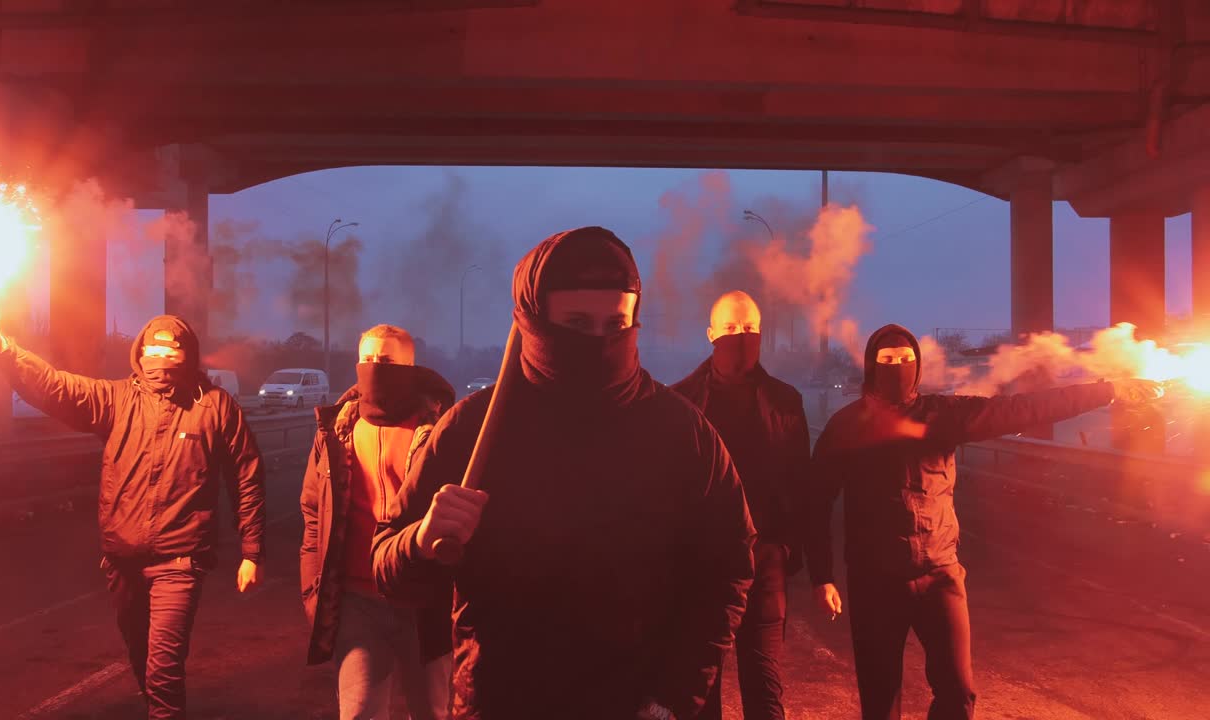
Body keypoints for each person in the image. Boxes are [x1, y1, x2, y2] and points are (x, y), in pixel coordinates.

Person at [372, 226, 756, 720]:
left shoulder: (683, 433)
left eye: (615, 323)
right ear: (534, 321)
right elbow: (388, 568)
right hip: (504, 702)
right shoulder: (472, 431)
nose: (598, 341)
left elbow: (728, 569)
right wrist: (421, 541)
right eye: (577, 323)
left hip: (643, 706)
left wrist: (673, 701)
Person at [805, 324, 1163, 720]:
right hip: (876, 583)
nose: (897, 366)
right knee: (880, 700)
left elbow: (1022, 408)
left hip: (940, 574)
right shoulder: (846, 427)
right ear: (871, 366)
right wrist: (821, 575)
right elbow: (816, 502)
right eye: (887, 360)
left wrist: (1106, 390)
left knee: (959, 695)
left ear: (918, 365)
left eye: (906, 359)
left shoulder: (942, 414)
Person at [0, 314, 266, 720]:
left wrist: (252, 550)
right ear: (140, 352)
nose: (160, 356)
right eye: (152, 349)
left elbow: (246, 474)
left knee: (163, 669)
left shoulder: (214, 407)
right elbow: (54, 387)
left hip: (180, 560)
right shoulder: (117, 399)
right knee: (142, 657)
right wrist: (2, 348)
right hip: (121, 560)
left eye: (171, 350)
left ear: (188, 354)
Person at [300, 324, 456, 720]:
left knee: (432, 712)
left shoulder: (439, 430)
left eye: (386, 361)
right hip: (357, 603)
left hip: (422, 601)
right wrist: (313, 592)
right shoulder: (337, 430)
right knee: (358, 714)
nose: (374, 368)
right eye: (367, 360)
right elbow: (314, 512)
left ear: (410, 365)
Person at [672, 291, 809, 720]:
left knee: (765, 687)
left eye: (749, 329)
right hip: (702, 567)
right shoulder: (680, 404)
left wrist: (787, 548)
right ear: (711, 334)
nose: (740, 337)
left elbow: (799, 482)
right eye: (731, 329)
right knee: (700, 686)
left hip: (764, 561)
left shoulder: (786, 401)